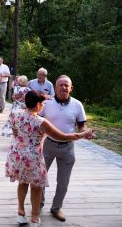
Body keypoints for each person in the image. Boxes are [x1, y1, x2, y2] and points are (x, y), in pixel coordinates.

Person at [5, 90, 93, 227]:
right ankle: (34, 219)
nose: (44, 105)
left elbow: (13, 128)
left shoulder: (16, 114)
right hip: (33, 158)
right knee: (36, 187)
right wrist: (83, 134)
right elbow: (62, 136)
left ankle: (20, 213)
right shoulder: (40, 122)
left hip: (17, 155)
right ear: (38, 104)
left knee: (22, 182)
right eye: (43, 103)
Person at [40, 75, 95, 222]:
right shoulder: (46, 103)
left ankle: (56, 208)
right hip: (48, 145)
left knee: (63, 183)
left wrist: (85, 133)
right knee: (40, 177)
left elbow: (82, 125)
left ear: (71, 88)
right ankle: (38, 204)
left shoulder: (77, 105)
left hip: (68, 148)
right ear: (55, 87)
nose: (64, 87)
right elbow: (36, 120)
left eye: (66, 85)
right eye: (61, 85)